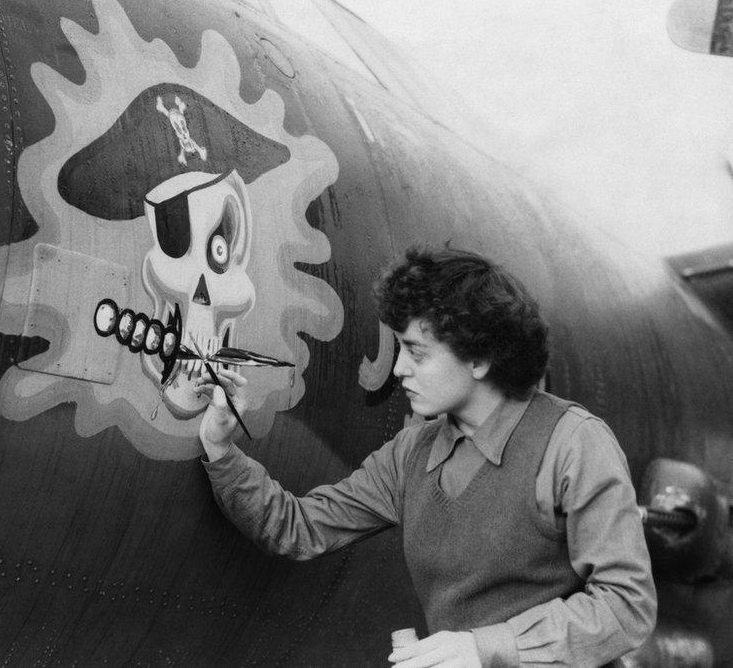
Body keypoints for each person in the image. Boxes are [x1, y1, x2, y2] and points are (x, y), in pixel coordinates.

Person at [195, 247, 656, 667]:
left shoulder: (573, 444)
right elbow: (298, 528)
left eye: (416, 352)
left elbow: (626, 605)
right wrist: (220, 446)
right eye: (399, 349)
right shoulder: (411, 452)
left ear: (479, 358)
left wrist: (485, 648)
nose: (399, 369)